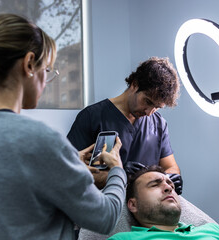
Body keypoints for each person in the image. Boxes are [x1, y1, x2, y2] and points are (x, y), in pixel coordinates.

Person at [0, 14, 126, 240]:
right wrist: (118, 170)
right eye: (47, 70)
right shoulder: (42, 141)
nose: (46, 82)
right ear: (29, 64)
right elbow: (105, 218)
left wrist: (65, 160)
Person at [67, 57, 183, 194]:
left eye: (157, 107)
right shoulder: (92, 117)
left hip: (145, 208)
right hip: (107, 205)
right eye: (148, 101)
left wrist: (172, 177)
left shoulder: (159, 124)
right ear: (134, 84)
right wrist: (120, 174)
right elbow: (71, 172)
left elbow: (171, 166)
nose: (149, 112)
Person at [108, 166, 219, 240]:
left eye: (170, 185)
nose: (168, 188)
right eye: (154, 185)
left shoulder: (213, 230)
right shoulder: (123, 239)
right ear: (133, 205)